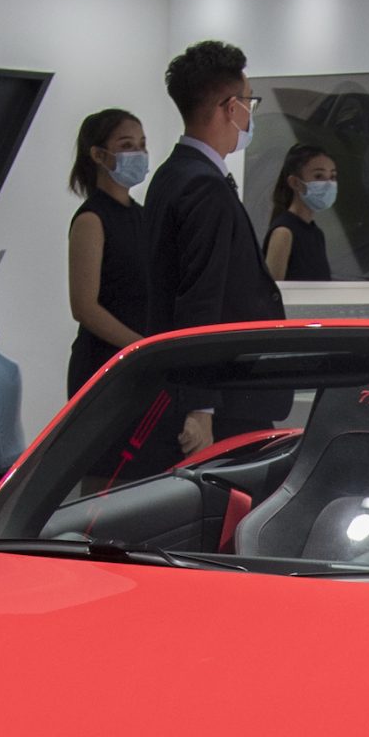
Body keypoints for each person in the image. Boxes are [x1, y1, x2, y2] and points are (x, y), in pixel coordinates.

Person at [145, 39, 287, 454]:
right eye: (248, 101)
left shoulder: (172, 174)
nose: (249, 112)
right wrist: (201, 406)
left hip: (204, 386)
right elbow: (199, 297)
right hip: (226, 396)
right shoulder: (203, 185)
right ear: (230, 107)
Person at [64, 107, 151, 399]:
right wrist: (140, 346)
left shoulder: (144, 216)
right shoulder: (92, 219)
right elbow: (84, 307)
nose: (138, 153)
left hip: (140, 364)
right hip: (103, 364)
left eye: (142, 145)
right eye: (126, 146)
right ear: (99, 155)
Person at [264, 143, 337, 283]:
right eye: (319, 176)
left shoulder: (316, 234)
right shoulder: (284, 233)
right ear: (295, 183)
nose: (328, 184)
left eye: (332, 177)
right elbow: (273, 293)